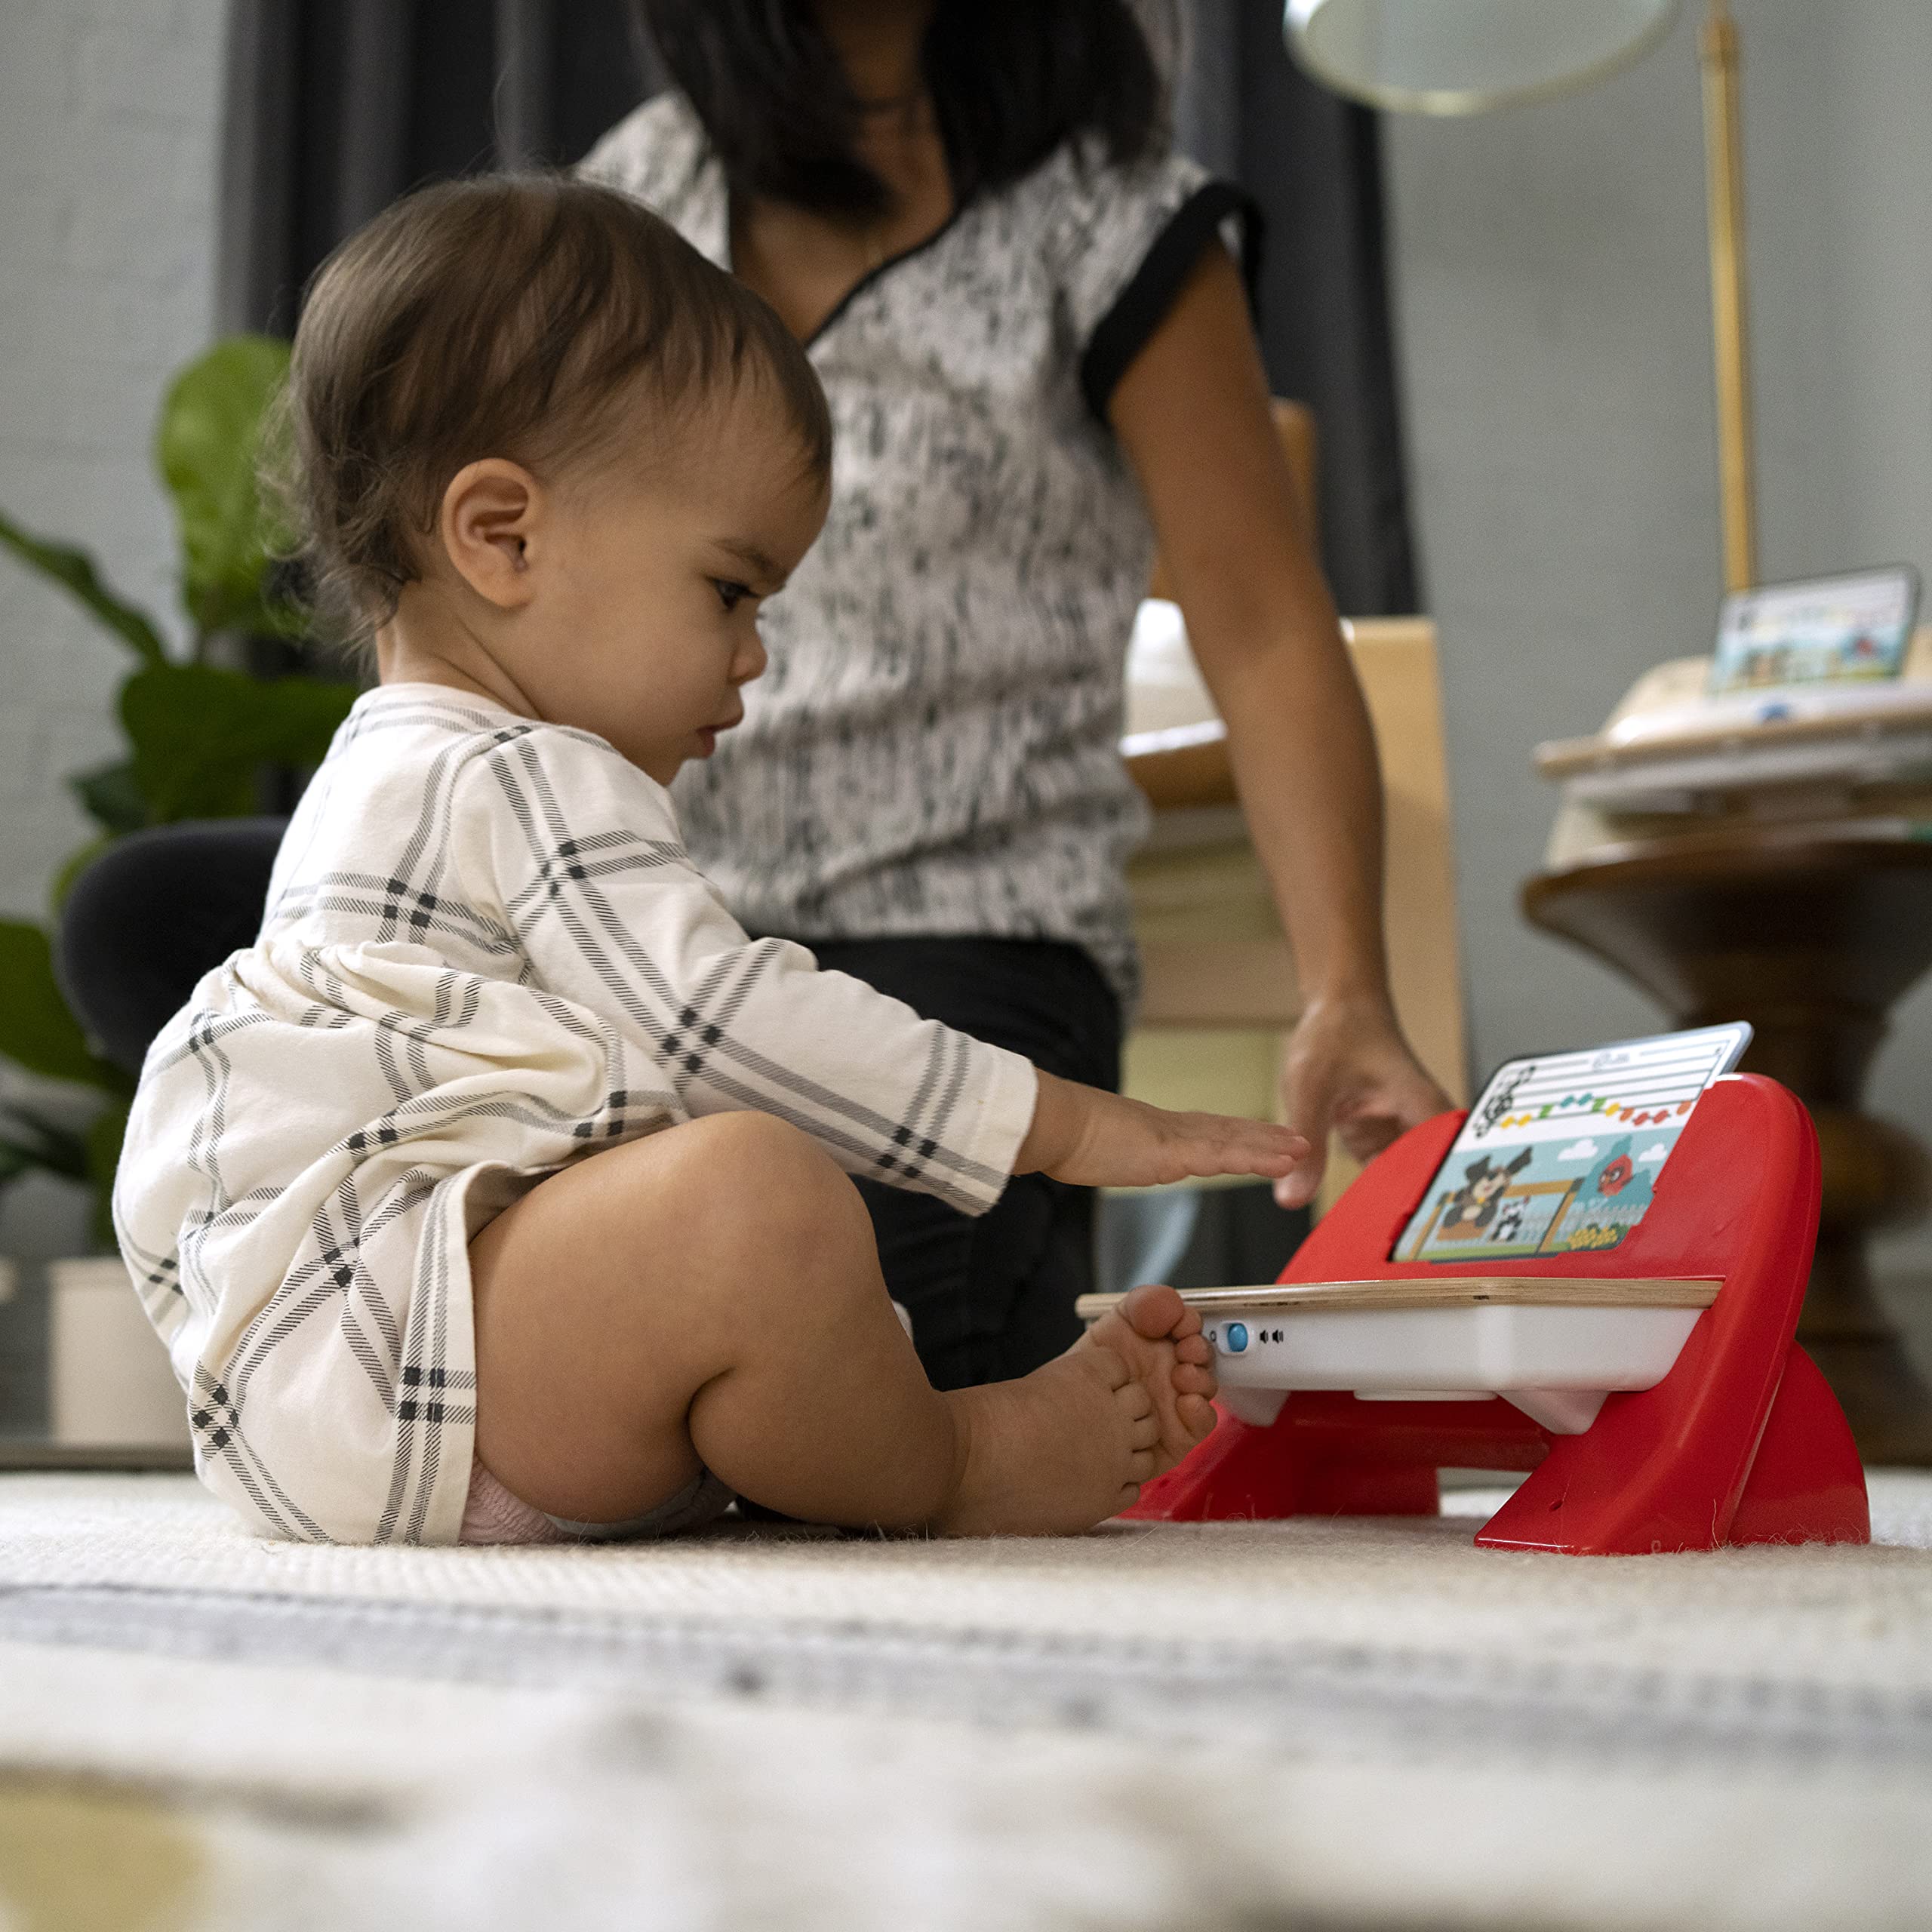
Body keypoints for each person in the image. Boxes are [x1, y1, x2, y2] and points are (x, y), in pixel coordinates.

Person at [111, 177, 1310, 1547]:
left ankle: (838, 1439)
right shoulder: (524, 769)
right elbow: (715, 1016)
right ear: (502, 537)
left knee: (735, 1207)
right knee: (759, 1196)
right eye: (729, 591)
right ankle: (964, 1456)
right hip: (418, 1372)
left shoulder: (375, 767)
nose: (754, 656)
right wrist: (1064, 1121)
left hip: (342, 1395)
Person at [581, 0, 1450, 1390]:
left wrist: (1344, 987)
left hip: (958, 935)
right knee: (163, 922)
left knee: (879, 1390)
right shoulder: (632, 200)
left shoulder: (1111, 224)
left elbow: (1267, 625)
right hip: (639, 924)